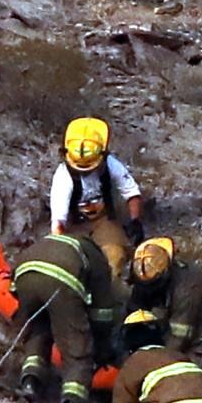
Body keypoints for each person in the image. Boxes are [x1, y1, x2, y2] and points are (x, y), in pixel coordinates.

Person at [10, 232, 120, 403]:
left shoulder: (60, 240)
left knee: (37, 331)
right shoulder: (98, 260)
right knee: (77, 347)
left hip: (24, 272)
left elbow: (14, 291)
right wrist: (102, 346)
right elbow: (102, 313)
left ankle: (30, 381)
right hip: (61, 282)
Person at [49, 117, 145, 283]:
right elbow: (59, 220)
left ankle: (110, 290)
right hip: (75, 223)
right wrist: (60, 249)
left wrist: (135, 221)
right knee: (74, 265)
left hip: (103, 219)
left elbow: (131, 192)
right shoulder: (63, 177)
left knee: (115, 256)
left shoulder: (110, 165)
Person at [128, 237, 202, 375]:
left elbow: (179, 339)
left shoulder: (190, 289)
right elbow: (134, 307)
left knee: (188, 378)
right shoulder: (146, 276)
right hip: (174, 322)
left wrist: (152, 367)